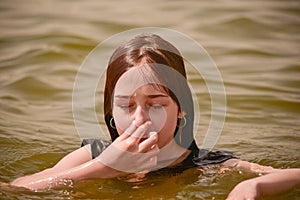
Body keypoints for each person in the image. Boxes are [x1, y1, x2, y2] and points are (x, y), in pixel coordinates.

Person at [8, 34, 300, 198]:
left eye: (156, 104)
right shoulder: (93, 155)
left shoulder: (205, 166)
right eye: (125, 106)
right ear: (110, 111)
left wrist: (251, 185)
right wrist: (104, 168)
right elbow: (17, 188)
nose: (139, 119)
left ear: (181, 107)